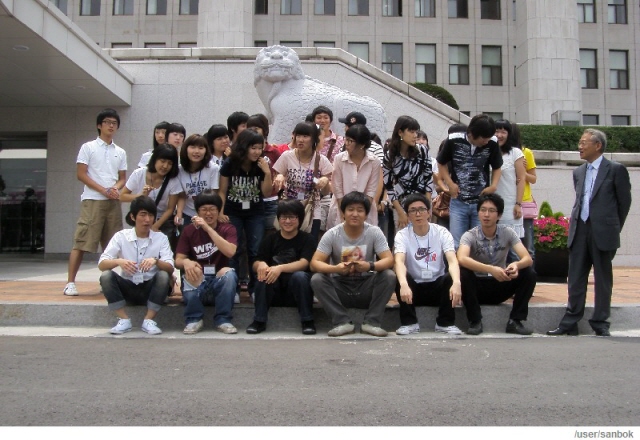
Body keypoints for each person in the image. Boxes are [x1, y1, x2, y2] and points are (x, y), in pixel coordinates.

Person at [548, 129, 632, 337]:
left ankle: (600, 322)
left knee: (603, 279)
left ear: (598, 145)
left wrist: (612, 227)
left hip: (603, 231)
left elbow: (624, 203)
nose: (580, 146)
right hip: (580, 229)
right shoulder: (578, 172)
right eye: (580, 142)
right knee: (575, 277)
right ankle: (570, 322)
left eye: (584, 142)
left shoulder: (615, 170)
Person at [310, 191, 396, 337]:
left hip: (366, 286)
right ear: (343, 213)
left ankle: (372, 322)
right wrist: (335, 269)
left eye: (360, 210)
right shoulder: (332, 234)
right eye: (350, 209)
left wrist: (370, 266)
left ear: (366, 214)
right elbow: (314, 263)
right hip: (340, 287)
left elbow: (389, 260)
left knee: (389, 276)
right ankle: (341, 322)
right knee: (317, 279)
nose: (355, 214)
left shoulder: (374, 232)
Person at [64, 108, 127, 296]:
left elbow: (122, 178)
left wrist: (115, 188)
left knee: (112, 245)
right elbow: (81, 174)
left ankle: (106, 282)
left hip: (113, 202)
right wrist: (103, 190)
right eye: (107, 122)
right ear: (99, 125)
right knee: (82, 241)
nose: (111, 126)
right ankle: (70, 283)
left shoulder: (120, 152)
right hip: (92, 200)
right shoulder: (88, 147)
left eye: (114, 123)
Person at [457, 193, 536, 336]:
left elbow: (527, 258)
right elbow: (461, 258)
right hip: (476, 287)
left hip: (501, 283)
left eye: (491, 211)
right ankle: (475, 321)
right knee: (463, 273)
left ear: (499, 215)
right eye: (483, 210)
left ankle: (515, 321)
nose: (486, 214)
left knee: (529, 273)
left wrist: (516, 265)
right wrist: (491, 269)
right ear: (478, 213)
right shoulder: (470, 235)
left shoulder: (507, 232)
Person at [98, 196, 174, 335]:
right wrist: (118, 261)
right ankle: (123, 319)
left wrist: (156, 261)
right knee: (106, 276)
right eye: (143, 215)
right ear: (133, 217)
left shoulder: (161, 238)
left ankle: (149, 320)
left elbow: (170, 267)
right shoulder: (121, 236)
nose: (147, 220)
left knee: (163, 275)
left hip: (150, 288)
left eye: (151, 215)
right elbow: (102, 264)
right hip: (128, 286)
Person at [393, 193, 463, 335]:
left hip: (437, 287)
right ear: (408, 215)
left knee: (451, 277)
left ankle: (445, 323)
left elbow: (452, 260)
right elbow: (399, 261)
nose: (418, 214)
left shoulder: (442, 232)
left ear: (429, 212)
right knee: (398, 276)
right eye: (413, 210)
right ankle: (409, 323)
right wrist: (404, 284)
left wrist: (457, 283)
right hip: (413, 290)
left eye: (422, 209)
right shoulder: (402, 235)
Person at [246, 199, 317, 335]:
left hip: (296, 291)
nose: (287, 221)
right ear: (278, 219)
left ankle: (307, 321)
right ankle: (259, 321)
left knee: (300, 276)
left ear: (300, 219)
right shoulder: (270, 239)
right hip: (274, 291)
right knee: (263, 276)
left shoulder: (307, 239)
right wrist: (261, 264)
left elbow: (304, 263)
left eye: (292, 217)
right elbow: (255, 262)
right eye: (284, 217)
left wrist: (279, 268)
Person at [218, 129, 273, 302]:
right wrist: (220, 211)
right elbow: (222, 190)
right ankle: (233, 289)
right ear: (244, 147)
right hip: (233, 211)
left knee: (255, 249)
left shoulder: (261, 165)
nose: (257, 152)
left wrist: (267, 173)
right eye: (253, 148)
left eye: (259, 148)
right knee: (234, 249)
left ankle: (255, 288)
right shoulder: (230, 163)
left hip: (255, 212)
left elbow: (266, 192)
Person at [175, 192, 238, 335]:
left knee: (229, 274)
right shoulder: (189, 230)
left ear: (218, 211)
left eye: (212, 209)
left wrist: (208, 229)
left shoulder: (228, 229)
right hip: (199, 281)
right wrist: (186, 262)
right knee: (192, 270)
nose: (208, 213)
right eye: (204, 209)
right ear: (197, 212)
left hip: (219, 283)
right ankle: (194, 319)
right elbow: (178, 260)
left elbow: (230, 252)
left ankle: (223, 320)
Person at [437, 114, 503, 249]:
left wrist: (494, 186)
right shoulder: (453, 140)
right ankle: (458, 263)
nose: (486, 142)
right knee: (457, 243)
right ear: (472, 134)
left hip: (481, 202)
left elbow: (497, 167)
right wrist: (450, 183)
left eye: (488, 138)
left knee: (480, 243)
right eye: (483, 138)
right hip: (458, 200)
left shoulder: (492, 142)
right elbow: (441, 162)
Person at [272, 122, 333, 241]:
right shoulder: (287, 156)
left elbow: (326, 192)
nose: (300, 140)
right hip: (289, 208)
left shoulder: (321, 160)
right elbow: (277, 176)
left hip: (311, 209)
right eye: (298, 136)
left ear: (314, 139)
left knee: (309, 243)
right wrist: (279, 176)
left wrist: (325, 181)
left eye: (305, 136)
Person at [383, 115, 433, 231]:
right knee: (402, 237)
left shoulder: (422, 151)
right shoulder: (390, 156)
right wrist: (400, 212)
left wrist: (426, 207)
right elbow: (389, 186)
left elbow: (428, 179)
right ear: (400, 132)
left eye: (416, 132)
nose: (415, 135)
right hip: (400, 204)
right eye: (411, 131)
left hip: (421, 203)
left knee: (423, 236)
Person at [326, 124, 380, 230]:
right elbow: (337, 188)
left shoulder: (374, 162)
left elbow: (371, 191)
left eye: (350, 141)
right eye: (346, 139)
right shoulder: (339, 159)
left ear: (362, 145)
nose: (346, 144)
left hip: (365, 211)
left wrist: (361, 212)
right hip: (341, 209)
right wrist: (345, 212)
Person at [121, 144, 181, 238]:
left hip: (162, 222)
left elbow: (170, 209)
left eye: (170, 163)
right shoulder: (139, 173)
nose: (165, 166)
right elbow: (122, 196)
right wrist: (141, 196)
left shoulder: (173, 180)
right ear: (155, 159)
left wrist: (155, 226)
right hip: (142, 219)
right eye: (162, 161)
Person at [246, 114, 281, 233]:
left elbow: (281, 171)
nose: (253, 131)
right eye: (250, 128)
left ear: (265, 130)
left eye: (256, 128)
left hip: (270, 200)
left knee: (271, 233)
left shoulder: (273, 151)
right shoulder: (244, 151)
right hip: (251, 200)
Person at [312, 105, 345, 234]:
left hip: (332, 189)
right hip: (312, 187)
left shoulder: (341, 141)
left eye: (325, 117)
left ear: (330, 120)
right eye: (319, 117)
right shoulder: (309, 140)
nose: (322, 120)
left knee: (328, 228)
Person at [175, 134, 219, 226]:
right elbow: (181, 196)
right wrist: (179, 214)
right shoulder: (179, 170)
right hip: (187, 213)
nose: (196, 151)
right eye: (192, 147)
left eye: (201, 148)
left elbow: (214, 194)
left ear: (206, 150)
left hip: (207, 214)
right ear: (186, 149)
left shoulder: (213, 168)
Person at [494, 120, 525, 246]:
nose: (499, 135)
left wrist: (518, 204)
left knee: (513, 248)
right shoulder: (487, 152)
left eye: (503, 132)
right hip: (491, 207)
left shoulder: (515, 153)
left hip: (509, 207)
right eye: (496, 131)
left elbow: (521, 179)